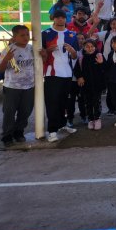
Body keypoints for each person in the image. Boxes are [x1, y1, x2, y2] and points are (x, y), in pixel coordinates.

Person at [40, 9, 79, 142]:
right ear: (53, 18)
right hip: (52, 73)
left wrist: (72, 51)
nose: (60, 19)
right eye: (58, 17)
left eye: (63, 17)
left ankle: (62, 124)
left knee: (64, 102)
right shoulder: (45, 34)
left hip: (67, 74)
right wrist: (47, 50)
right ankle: (52, 131)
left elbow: (75, 56)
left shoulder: (72, 34)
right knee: (52, 103)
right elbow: (40, 54)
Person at [0, 25, 34, 147]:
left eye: (27, 34)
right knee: (9, 112)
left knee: (26, 111)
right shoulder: (8, 49)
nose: (26, 37)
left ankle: (19, 132)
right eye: (22, 35)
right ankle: (7, 136)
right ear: (14, 37)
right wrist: (6, 59)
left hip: (29, 86)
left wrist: (44, 55)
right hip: (12, 87)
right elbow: (0, 69)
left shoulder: (31, 48)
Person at [74, 39, 105, 130]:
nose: (90, 48)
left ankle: (97, 118)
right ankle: (91, 119)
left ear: (95, 47)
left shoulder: (99, 56)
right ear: (84, 48)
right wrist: (79, 77)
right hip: (85, 86)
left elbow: (105, 68)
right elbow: (76, 70)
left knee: (96, 102)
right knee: (88, 103)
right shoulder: (81, 58)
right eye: (87, 47)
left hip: (97, 85)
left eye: (92, 46)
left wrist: (101, 63)